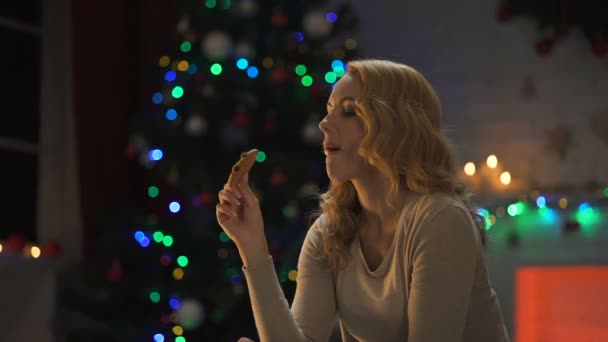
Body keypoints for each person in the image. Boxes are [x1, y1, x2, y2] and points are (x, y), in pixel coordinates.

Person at [216, 59, 510, 342]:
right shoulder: (330, 232)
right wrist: (252, 245)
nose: (324, 124)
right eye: (328, 110)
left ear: (396, 127)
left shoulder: (440, 220)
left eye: (349, 111)